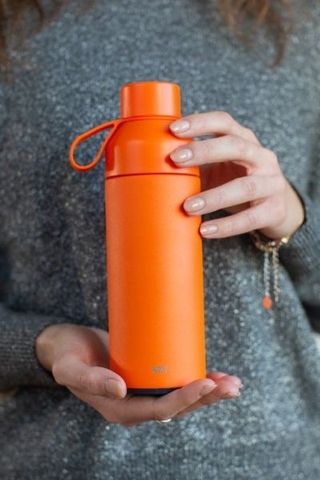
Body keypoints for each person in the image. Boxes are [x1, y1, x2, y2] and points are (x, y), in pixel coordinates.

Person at [0, 1, 320, 478]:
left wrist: (294, 219)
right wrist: (40, 346)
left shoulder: (298, 24)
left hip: (278, 461)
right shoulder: (13, 25)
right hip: (56, 464)